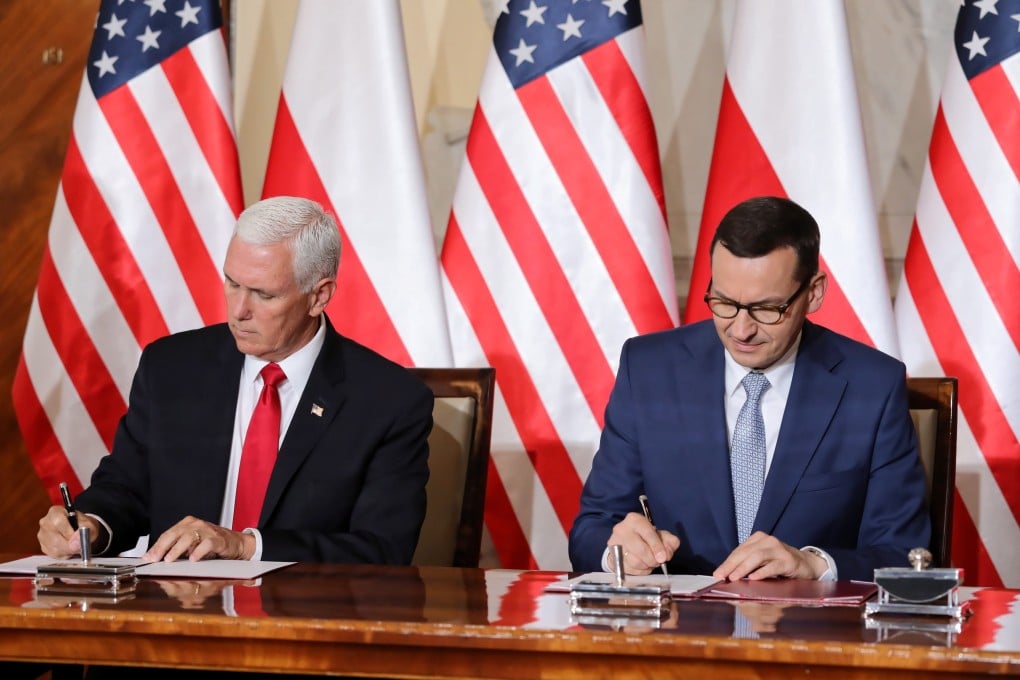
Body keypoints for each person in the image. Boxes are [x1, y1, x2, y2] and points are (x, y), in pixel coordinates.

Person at [37, 196, 433, 565]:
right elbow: (126, 488)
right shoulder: (172, 368)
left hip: (305, 622)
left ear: (319, 296)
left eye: (264, 294)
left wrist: (246, 546)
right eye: (232, 283)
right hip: (175, 619)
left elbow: (384, 549)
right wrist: (90, 527)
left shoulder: (387, 400)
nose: (239, 310)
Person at [568, 196, 930, 583]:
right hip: (677, 631)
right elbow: (591, 529)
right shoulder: (649, 370)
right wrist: (616, 552)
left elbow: (906, 556)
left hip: (807, 632)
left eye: (767, 309)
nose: (741, 330)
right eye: (724, 302)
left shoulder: (871, 387)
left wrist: (815, 565)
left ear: (814, 292)